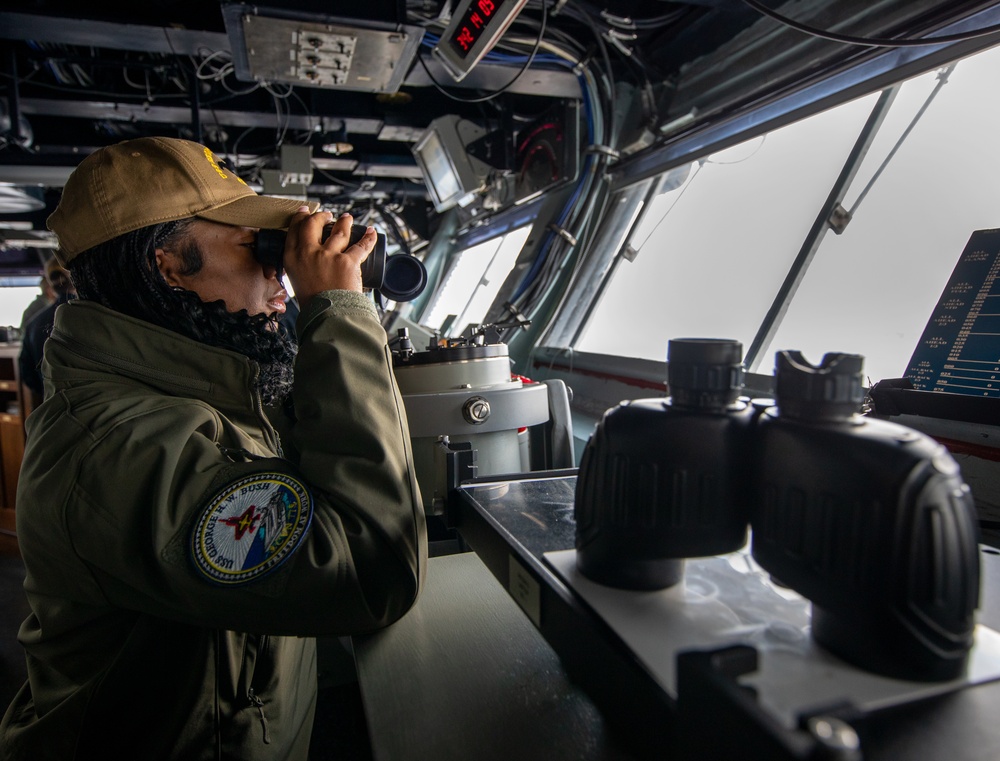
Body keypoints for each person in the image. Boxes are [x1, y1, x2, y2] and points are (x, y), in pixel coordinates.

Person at [0, 136, 427, 760]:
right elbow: (368, 572)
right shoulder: (114, 450)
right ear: (168, 265)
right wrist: (338, 308)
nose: (278, 273)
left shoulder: (206, 388)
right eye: (257, 247)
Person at [18, 257, 76, 410]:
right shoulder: (93, 316)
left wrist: (47, 392)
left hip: (51, 407)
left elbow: (27, 372)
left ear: (50, 284)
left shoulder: (32, 324)